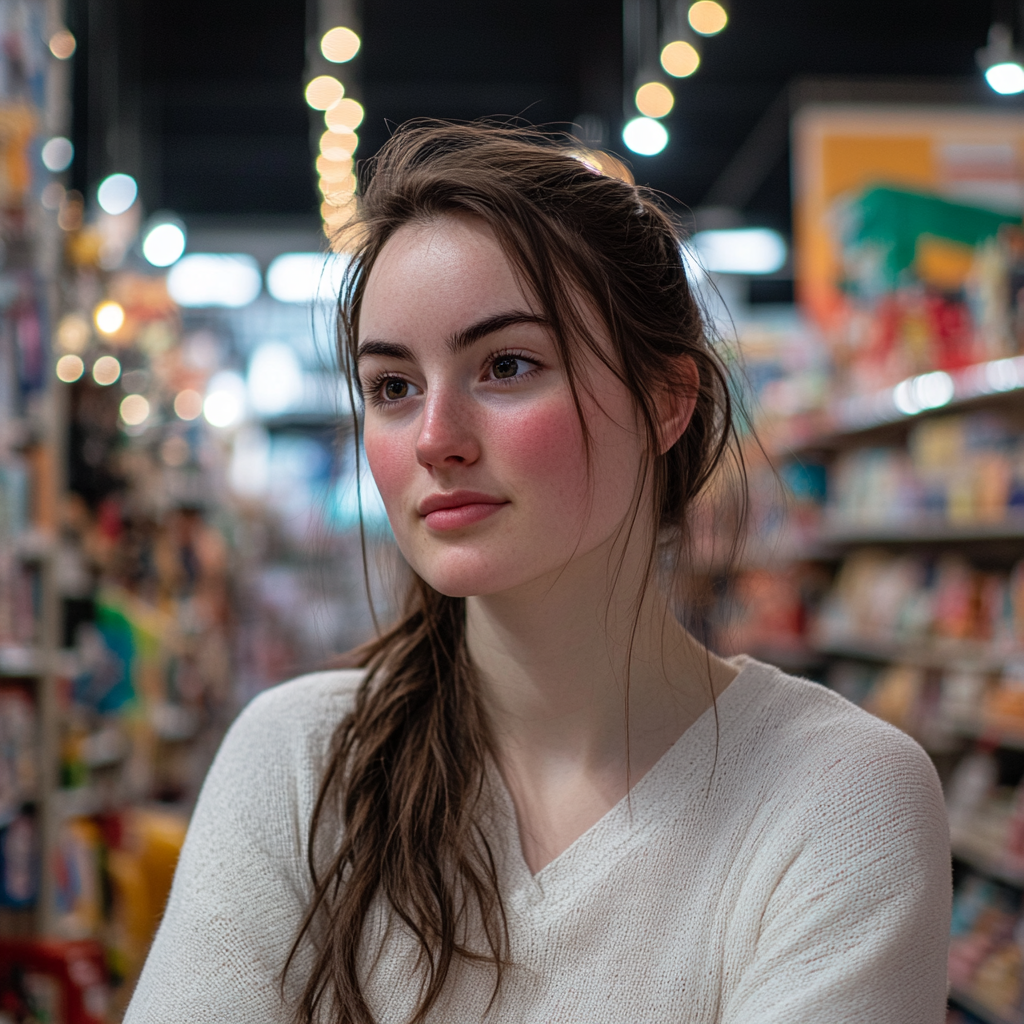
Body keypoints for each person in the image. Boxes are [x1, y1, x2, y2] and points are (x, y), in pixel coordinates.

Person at [125, 121, 950, 1024]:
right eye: (393, 387)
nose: (435, 439)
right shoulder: (299, 763)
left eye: (506, 366)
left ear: (668, 400)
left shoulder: (836, 798)